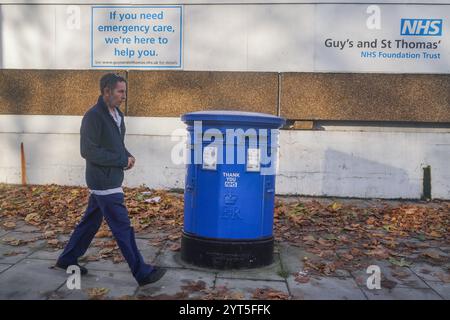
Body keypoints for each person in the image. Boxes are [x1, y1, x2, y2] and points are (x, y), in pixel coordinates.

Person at [55, 73, 166, 286]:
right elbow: (87, 151)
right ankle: (142, 272)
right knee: (123, 227)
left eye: (125, 91)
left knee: (91, 221)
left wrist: (127, 155)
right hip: (103, 181)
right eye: (120, 91)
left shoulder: (117, 115)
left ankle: (68, 258)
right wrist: (120, 160)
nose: (124, 96)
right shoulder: (93, 116)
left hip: (111, 177)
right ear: (106, 91)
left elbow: (116, 144)